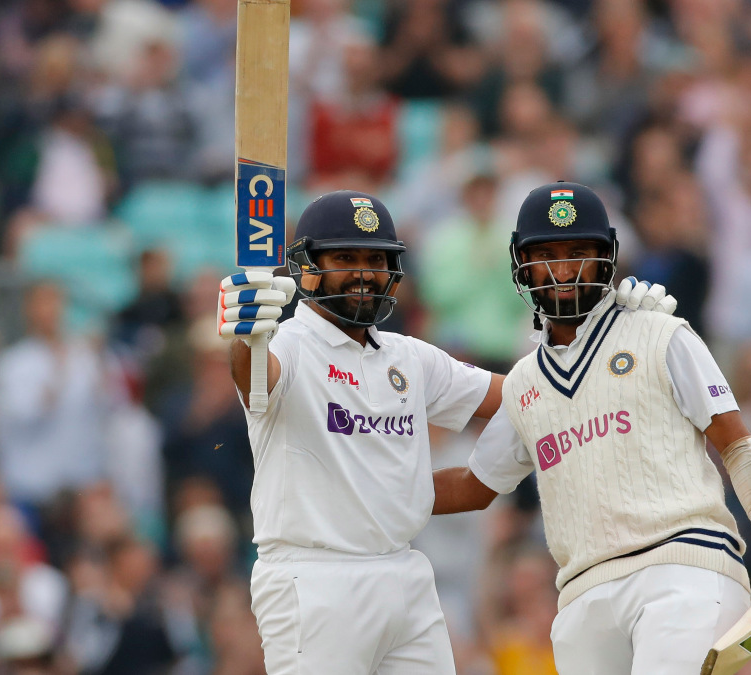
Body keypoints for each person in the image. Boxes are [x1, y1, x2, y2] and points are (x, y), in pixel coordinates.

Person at [216, 189, 668, 673]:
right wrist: (245, 338)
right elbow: (256, 376)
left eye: (376, 258)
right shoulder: (290, 345)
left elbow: (536, 394)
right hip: (313, 579)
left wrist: (615, 336)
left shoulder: (408, 357)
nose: (364, 273)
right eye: (345, 257)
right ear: (306, 267)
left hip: (406, 574)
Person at [431, 182, 751, 674]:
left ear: (607, 259)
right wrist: (360, 488)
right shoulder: (524, 384)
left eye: (580, 252)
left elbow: (738, 444)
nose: (563, 269)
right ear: (521, 265)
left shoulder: (660, 332)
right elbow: (474, 487)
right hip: (580, 598)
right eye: (547, 254)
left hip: (684, 569)